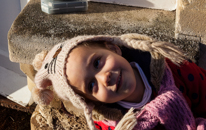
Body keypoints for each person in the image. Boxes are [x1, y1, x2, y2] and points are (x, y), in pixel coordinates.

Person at [32, 34, 206, 130]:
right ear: (91, 102)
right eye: (92, 85)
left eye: (97, 63)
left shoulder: (173, 70)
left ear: (113, 48)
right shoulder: (117, 126)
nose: (104, 77)